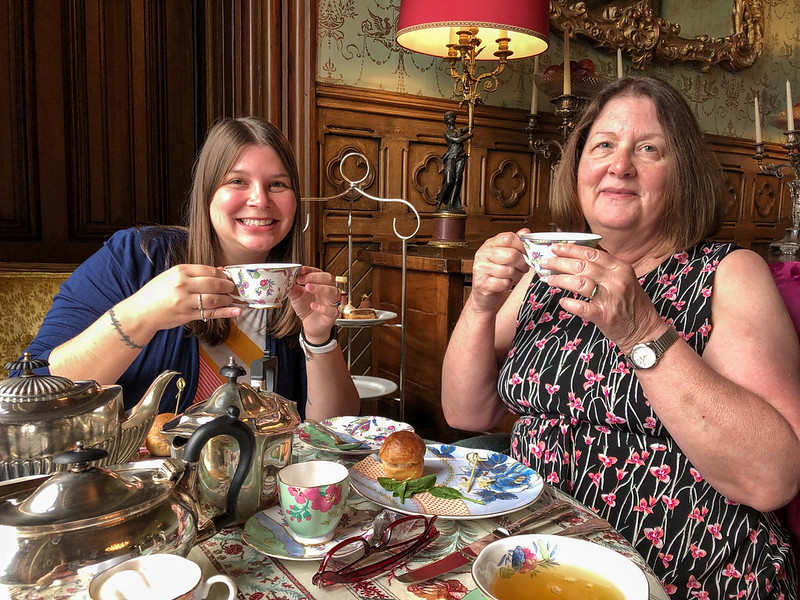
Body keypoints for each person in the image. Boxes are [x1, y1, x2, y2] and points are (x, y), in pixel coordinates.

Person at [441, 76, 800, 597]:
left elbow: (771, 479)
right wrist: (481, 302)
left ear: (683, 176)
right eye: (603, 144)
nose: (620, 164)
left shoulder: (728, 273)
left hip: (686, 571)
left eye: (648, 149)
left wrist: (641, 331)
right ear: (578, 167)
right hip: (538, 561)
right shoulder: (545, 274)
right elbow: (465, 413)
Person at [20, 116, 360, 420]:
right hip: (140, 484)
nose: (260, 199)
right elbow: (34, 391)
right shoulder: (137, 257)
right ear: (207, 194)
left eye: (277, 184)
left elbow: (332, 429)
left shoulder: (295, 292)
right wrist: (143, 313)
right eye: (238, 181)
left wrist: (319, 339)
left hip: (259, 482)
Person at [434, 111, 472, 213]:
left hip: (461, 157)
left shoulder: (458, 130)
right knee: (449, 181)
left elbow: (468, 128)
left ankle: (451, 203)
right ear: (446, 120)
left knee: (458, 181)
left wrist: (471, 123)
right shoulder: (447, 133)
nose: (452, 119)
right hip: (451, 157)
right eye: (450, 117)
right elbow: (457, 140)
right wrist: (469, 136)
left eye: (453, 117)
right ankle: (439, 202)